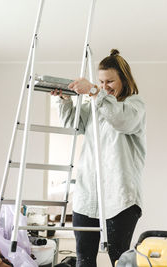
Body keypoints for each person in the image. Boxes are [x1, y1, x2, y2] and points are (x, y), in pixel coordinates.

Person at [51, 49, 146, 267]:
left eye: (110, 81)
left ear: (124, 79)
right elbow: (73, 125)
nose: (105, 87)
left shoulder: (134, 105)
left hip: (120, 198)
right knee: (84, 259)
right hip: (87, 197)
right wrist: (64, 100)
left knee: (119, 260)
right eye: (101, 82)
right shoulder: (94, 105)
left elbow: (120, 120)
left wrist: (94, 91)